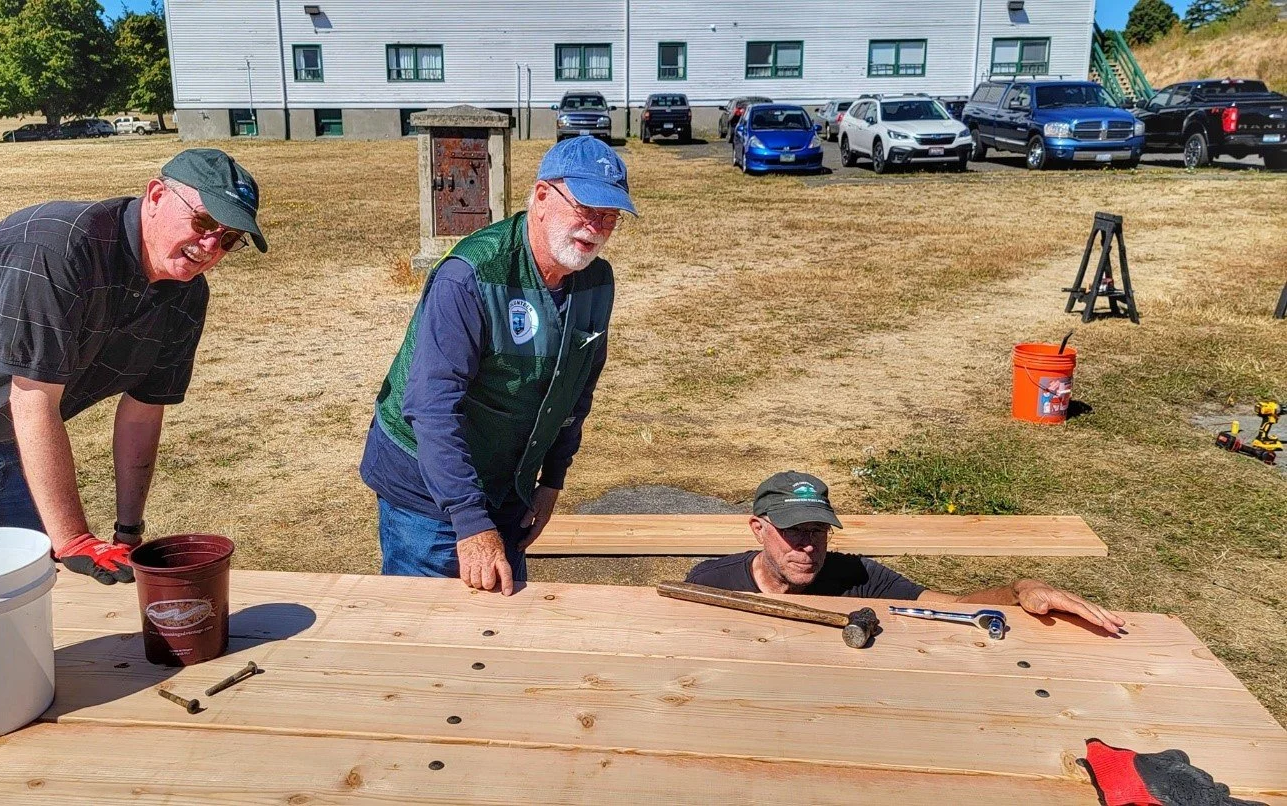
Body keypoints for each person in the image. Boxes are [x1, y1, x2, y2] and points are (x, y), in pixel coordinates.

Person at [0, 148, 267, 584]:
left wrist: (128, 532)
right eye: (204, 222)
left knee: (36, 588)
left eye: (228, 239)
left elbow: (143, 412)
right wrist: (72, 537)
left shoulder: (185, 297)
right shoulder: (58, 244)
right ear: (156, 196)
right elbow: (32, 399)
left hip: (9, 439)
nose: (209, 246)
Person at [360, 137, 635, 596]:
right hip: (427, 491)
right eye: (586, 208)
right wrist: (470, 523)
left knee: (503, 625)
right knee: (426, 630)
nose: (596, 227)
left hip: (510, 482)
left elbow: (575, 391)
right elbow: (432, 407)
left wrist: (552, 482)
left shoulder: (596, 282)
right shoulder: (470, 276)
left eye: (610, 217)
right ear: (543, 197)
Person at [687, 471, 1126, 634]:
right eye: (793, 531)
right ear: (758, 529)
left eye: (818, 531)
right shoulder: (710, 583)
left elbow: (952, 609)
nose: (807, 546)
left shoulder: (859, 578)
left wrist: (1019, 590)